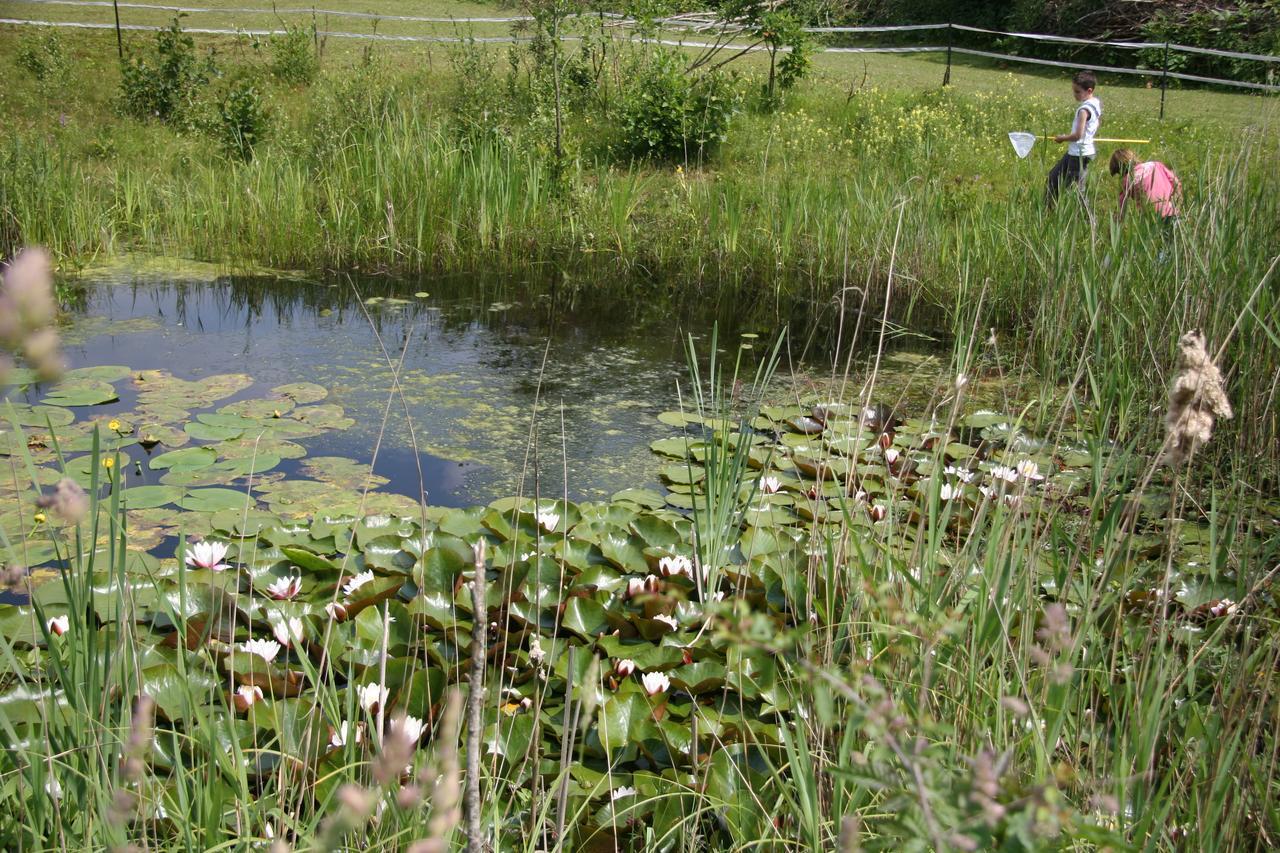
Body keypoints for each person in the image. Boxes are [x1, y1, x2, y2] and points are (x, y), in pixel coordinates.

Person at [1046, 70, 1102, 208]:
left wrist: (1062, 138)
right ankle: (1047, 210)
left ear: (1089, 90)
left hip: (1079, 154)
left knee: (1077, 192)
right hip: (1075, 152)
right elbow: (1097, 122)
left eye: (1077, 92)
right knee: (1054, 177)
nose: (1075, 95)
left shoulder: (1084, 110)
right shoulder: (1095, 103)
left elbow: (1078, 135)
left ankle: (1089, 222)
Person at [1110, 148, 1181, 223]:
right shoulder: (1155, 164)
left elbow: (1120, 210)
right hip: (1172, 211)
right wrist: (1177, 204)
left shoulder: (1127, 180)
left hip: (1150, 217)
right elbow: (1176, 183)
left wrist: (1112, 230)